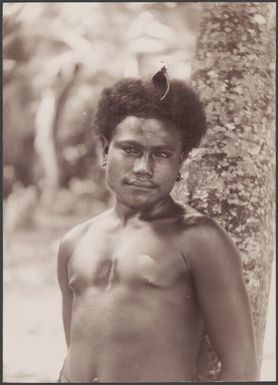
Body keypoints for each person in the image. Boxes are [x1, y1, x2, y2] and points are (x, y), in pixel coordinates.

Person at [57, 67, 258, 382]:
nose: (143, 168)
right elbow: (77, 346)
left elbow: (243, 369)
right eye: (131, 149)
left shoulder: (197, 238)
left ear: (180, 163)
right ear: (105, 150)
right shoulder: (75, 242)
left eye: (161, 154)